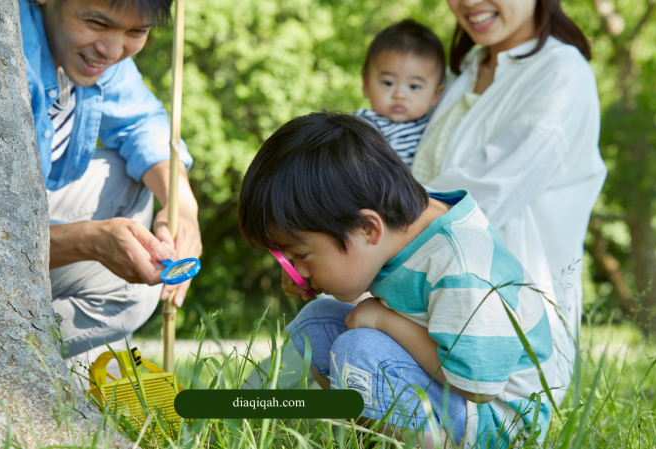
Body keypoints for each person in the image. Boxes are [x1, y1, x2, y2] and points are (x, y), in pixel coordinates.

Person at [238, 112, 555, 447]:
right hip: (453, 397)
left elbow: (477, 383)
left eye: (300, 254)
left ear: (367, 229)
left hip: (500, 423)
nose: (295, 268)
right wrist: (311, 273)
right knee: (314, 324)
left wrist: (381, 319)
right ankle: (366, 436)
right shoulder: (395, 223)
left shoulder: (461, 267)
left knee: (358, 349)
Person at [411, 0, 606, 405]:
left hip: (498, 333)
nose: (467, 3)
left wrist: (355, 242)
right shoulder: (463, 72)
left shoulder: (560, 72)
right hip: (421, 296)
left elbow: (476, 201)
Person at [19, 0, 202, 370]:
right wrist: (89, 240)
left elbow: (143, 127)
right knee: (132, 293)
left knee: (133, 182)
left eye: (137, 32)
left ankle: (80, 373)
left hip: (29, 230)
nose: (114, 51)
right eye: (96, 22)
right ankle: (13, 359)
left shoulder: (96, 61)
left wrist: (183, 208)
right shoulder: (6, 53)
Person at [355, 19, 445, 167]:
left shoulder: (434, 129)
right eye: (388, 83)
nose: (399, 95)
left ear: (435, 95)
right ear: (366, 84)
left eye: (414, 87)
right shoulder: (365, 126)